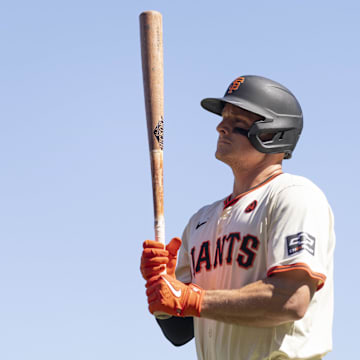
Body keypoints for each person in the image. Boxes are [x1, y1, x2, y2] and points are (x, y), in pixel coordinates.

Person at [140, 75, 335, 360]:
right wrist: (165, 289)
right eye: (223, 119)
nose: (221, 127)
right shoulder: (200, 221)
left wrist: (195, 299)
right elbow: (180, 333)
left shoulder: (294, 196)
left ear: (272, 133)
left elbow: (291, 300)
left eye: (237, 123)